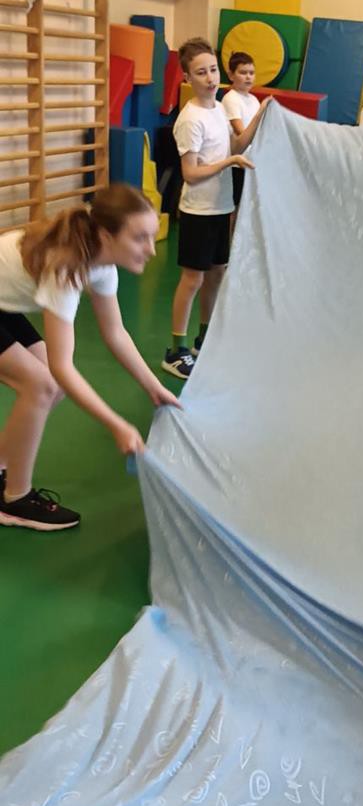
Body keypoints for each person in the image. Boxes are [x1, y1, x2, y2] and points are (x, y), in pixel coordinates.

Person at [0, 184, 179, 531]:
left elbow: (115, 333)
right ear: (107, 236)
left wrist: (153, 387)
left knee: (50, 387)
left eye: (151, 235)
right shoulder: (67, 268)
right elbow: (62, 367)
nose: (151, 249)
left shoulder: (102, 265)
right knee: (42, 385)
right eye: (139, 238)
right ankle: (14, 499)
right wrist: (116, 424)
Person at [163, 38, 259, 379]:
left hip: (221, 206)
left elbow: (236, 144)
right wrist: (229, 162)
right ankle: (176, 350)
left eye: (214, 70)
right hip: (198, 211)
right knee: (193, 279)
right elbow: (190, 173)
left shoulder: (219, 108)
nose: (210, 78)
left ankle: (203, 341)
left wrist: (260, 116)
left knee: (217, 273)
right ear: (187, 78)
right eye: (201, 72)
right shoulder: (190, 119)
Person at [221, 50, 260, 223]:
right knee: (234, 207)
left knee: (245, 208)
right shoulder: (231, 99)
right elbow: (241, 131)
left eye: (251, 73)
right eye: (243, 72)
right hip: (236, 163)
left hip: (250, 161)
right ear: (231, 75)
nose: (248, 77)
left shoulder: (254, 100)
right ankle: (230, 240)